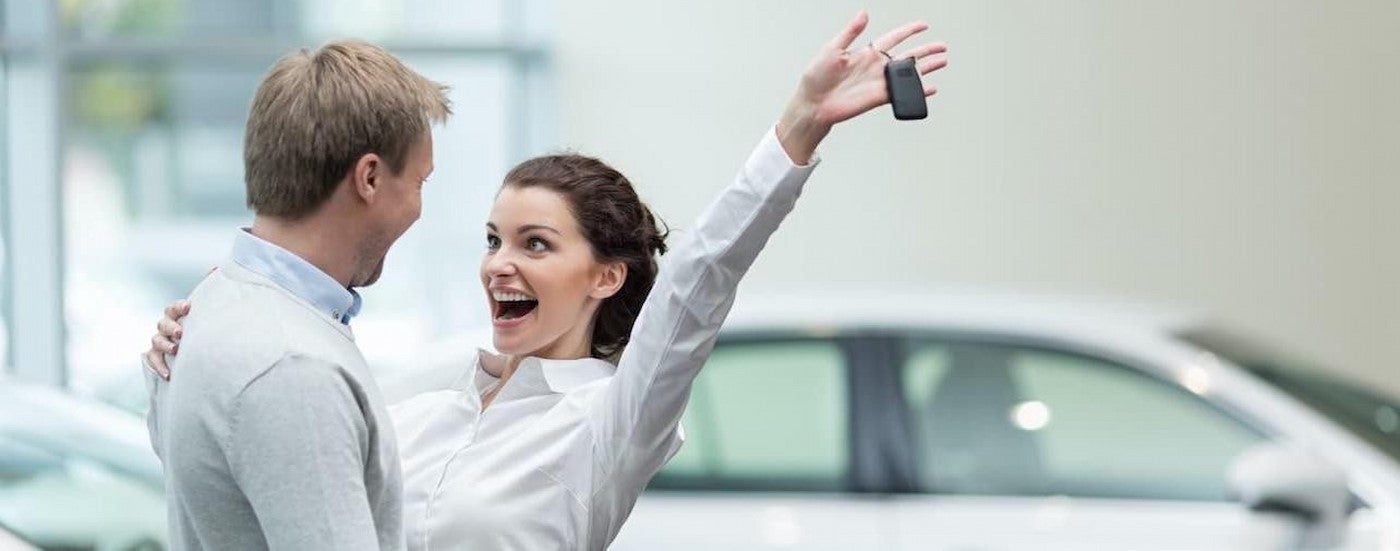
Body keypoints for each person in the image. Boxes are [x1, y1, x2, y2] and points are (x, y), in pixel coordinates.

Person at [145, 11, 947, 549]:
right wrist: (189, 357)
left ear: (605, 274)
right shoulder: (422, 381)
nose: (501, 262)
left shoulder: (609, 418)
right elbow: (264, 453)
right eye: (494, 237)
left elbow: (701, 280)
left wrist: (797, 128)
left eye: (535, 243)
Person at [140, 40, 451, 549]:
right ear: (369, 178)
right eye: (419, 182)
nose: (419, 208)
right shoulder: (293, 367)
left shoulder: (212, 304)